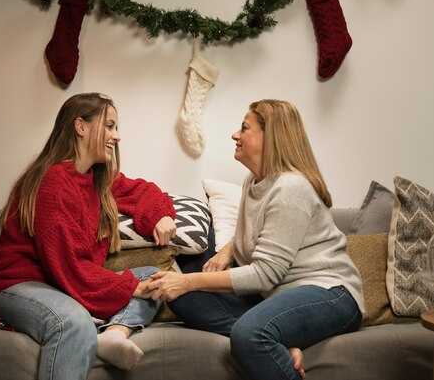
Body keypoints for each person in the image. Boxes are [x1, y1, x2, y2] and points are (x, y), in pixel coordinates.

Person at [146, 99, 365, 380]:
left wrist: (187, 281)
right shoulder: (254, 181)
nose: (235, 135)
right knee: (181, 296)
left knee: (246, 332)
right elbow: (259, 237)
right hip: (277, 295)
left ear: (270, 137)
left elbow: (265, 275)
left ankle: (265, 338)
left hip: (329, 293)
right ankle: (277, 344)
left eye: (244, 128)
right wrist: (228, 250)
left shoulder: (291, 188)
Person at [0, 92, 177, 380]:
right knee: (73, 323)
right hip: (17, 283)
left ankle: (113, 335)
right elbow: (67, 266)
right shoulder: (53, 181)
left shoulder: (97, 179)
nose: (117, 136)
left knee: (155, 277)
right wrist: (129, 287)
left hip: (59, 283)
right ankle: (98, 332)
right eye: (109, 126)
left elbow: (145, 192)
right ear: (80, 127)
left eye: (116, 127)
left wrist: (162, 215)